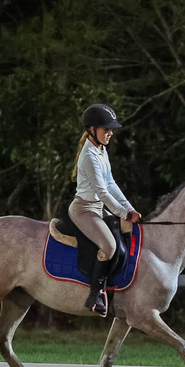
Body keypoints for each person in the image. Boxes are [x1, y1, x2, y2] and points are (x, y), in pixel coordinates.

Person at [69, 103, 142, 315]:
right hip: (84, 210)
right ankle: (95, 295)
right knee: (109, 247)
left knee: (123, 244)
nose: (111, 133)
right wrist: (123, 213)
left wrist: (129, 208)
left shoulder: (101, 150)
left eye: (111, 129)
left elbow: (111, 184)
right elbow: (102, 192)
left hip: (99, 208)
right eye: (106, 129)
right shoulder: (89, 156)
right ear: (92, 129)